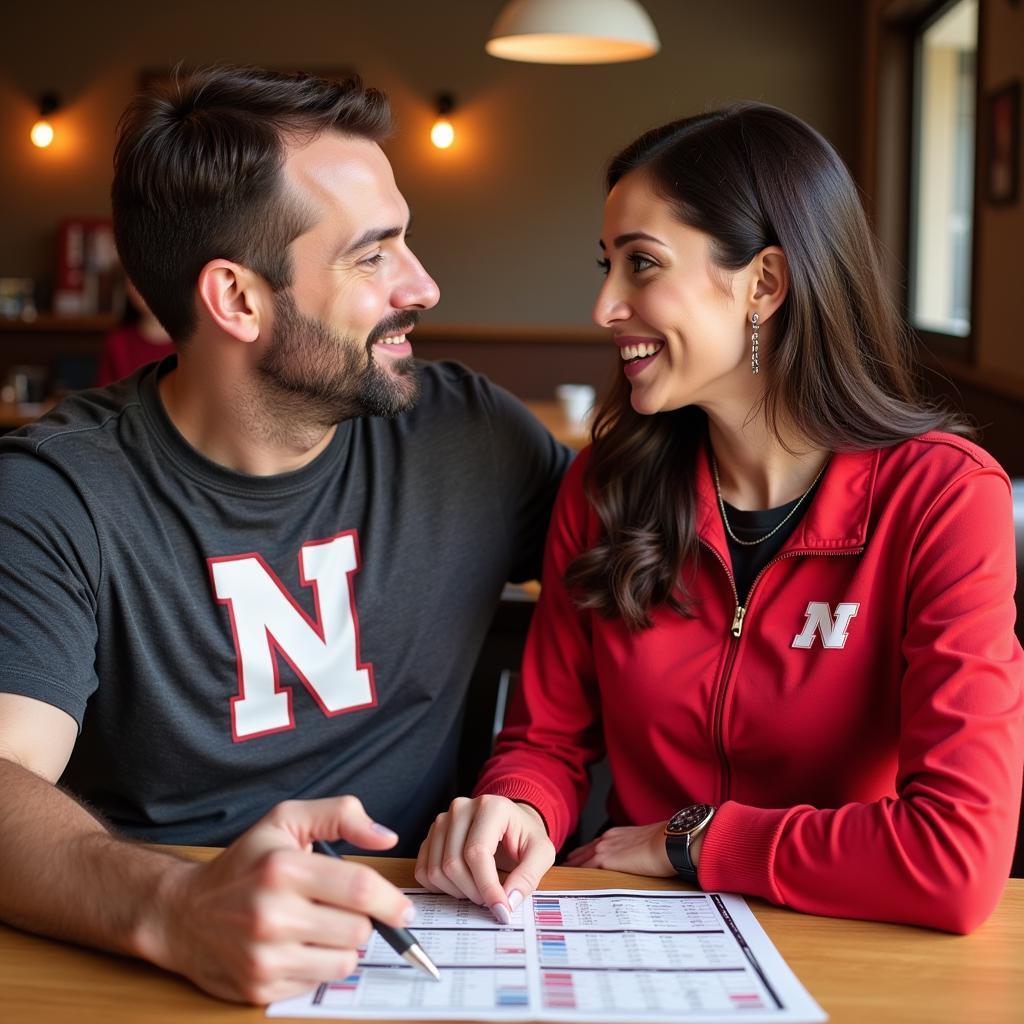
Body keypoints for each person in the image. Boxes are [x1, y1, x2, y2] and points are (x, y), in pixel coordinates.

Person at [0, 66, 570, 1003]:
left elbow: (650, 592)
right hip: (156, 970)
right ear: (236, 299)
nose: (421, 284)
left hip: (429, 946)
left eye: (406, 242)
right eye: (372, 256)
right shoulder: (59, 494)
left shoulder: (470, 438)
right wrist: (175, 908)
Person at [416, 103, 1024, 935]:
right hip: (632, 932)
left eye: (641, 265)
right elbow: (546, 741)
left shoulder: (942, 498)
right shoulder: (605, 488)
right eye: (608, 265)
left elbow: (953, 860)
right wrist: (519, 807)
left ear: (764, 284)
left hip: (855, 934)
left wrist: (693, 840)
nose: (604, 306)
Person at [94, 280, 175, 386]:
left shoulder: (193, 343)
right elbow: (102, 399)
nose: (143, 287)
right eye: (133, 279)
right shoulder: (117, 343)